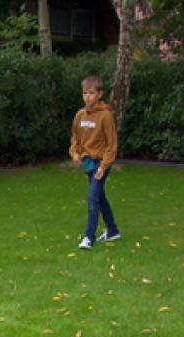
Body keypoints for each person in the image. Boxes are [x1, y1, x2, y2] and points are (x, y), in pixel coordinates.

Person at [69, 75, 121, 250]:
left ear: (100, 94)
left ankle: (88, 237)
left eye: (91, 93)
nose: (88, 97)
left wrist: (104, 166)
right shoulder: (80, 115)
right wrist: (74, 153)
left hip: (101, 163)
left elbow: (111, 144)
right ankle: (112, 230)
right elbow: (75, 138)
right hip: (88, 163)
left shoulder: (105, 116)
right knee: (99, 197)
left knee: (92, 198)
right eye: (85, 93)